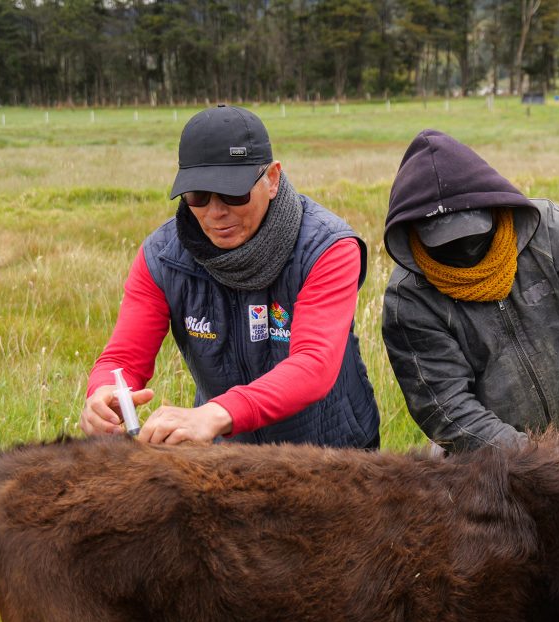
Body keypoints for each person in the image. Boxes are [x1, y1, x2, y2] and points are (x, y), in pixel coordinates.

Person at [79, 105, 379, 447]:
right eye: (198, 195)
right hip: (226, 457)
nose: (216, 212)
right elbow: (123, 360)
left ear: (272, 179)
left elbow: (313, 365)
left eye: (234, 193)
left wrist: (215, 413)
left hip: (330, 455)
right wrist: (103, 392)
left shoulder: (326, 248)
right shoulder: (162, 257)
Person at [381, 129, 559, 455]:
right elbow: (446, 406)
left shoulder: (549, 230)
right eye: (447, 242)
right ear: (415, 231)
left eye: (470, 235)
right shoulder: (409, 299)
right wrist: (537, 459)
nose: (464, 251)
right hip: (482, 457)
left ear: (492, 207)